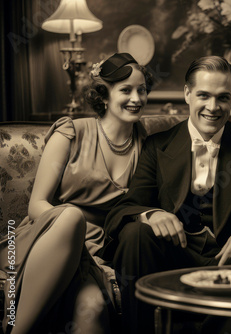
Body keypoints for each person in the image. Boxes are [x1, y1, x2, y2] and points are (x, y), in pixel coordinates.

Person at [102, 55, 231, 333]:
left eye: (223, 97)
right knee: (135, 233)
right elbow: (125, 208)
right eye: (203, 95)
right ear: (188, 94)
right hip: (173, 258)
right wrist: (151, 214)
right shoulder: (158, 145)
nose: (213, 107)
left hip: (229, 258)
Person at [0, 52, 153, 334]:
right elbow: (37, 205)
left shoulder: (150, 145)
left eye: (141, 90)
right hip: (49, 238)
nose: (136, 98)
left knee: (93, 308)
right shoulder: (71, 131)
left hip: (99, 254)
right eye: (126, 90)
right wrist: (73, 242)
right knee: (71, 217)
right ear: (104, 95)